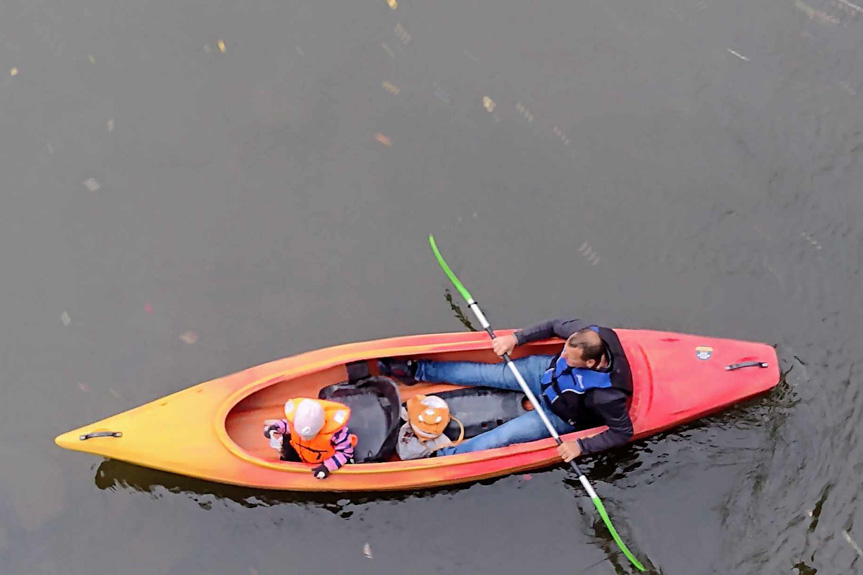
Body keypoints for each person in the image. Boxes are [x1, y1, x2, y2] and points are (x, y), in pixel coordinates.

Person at [379, 318, 633, 461]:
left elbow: (622, 432)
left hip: (558, 415)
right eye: (564, 349)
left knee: (500, 439)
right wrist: (516, 339)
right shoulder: (589, 336)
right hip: (541, 374)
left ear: (591, 363)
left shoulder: (607, 396)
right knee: (483, 373)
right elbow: (555, 325)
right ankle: (415, 371)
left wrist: (581, 446)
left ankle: (437, 456)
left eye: (570, 357)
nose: (563, 355)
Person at [263, 398, 357, 479]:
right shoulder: (294, 421)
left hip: (322, 461)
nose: (304, 438)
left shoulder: (337, 434)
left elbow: (346, 453)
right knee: (287, 439)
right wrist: (275, 428)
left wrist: (327, 467)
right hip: (301, 452)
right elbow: (286, 425)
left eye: (309, 436)